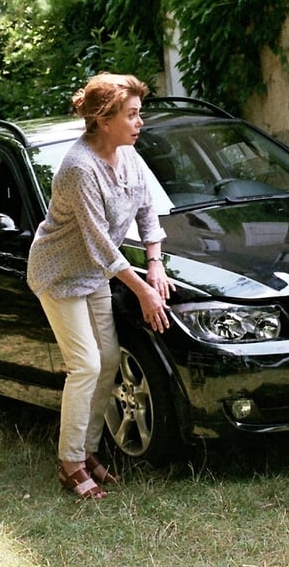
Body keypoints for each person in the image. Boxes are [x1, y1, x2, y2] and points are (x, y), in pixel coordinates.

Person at [26, 73, 175, 500]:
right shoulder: (78, 168)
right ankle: (69, 462)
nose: (139, 122)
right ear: (103, 119)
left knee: (108, 360)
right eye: (131, 115)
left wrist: (155, 265)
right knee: (86, 365)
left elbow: (148, 211)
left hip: (95, 273)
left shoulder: (129, 155)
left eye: (138, 114)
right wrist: (142, 290)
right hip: (59, 273)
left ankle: (88, 451)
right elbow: (99, 244)